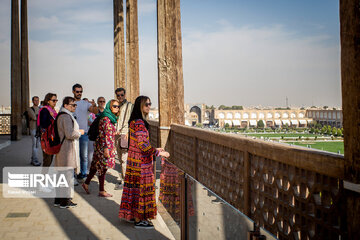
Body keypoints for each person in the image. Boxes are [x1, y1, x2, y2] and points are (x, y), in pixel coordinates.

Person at [119, 96, 170, 229]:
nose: (149, 106)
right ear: (140, 106)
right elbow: (143, 145)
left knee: (134, 190)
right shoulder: (140, 124)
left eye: (150, 104)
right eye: (146, 104)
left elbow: (139, 143)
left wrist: (155, 149)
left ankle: (134, 216)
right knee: (141, 191)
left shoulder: (133, 122)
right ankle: (139, 220)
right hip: (142, 164)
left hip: (134, 162)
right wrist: (159, 153)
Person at [82, 99, 120, 197]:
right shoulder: (106, 119)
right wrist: (106, 148)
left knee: (95, 165)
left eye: (118, 106)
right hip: (103, 146)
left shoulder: (110, 118)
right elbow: (104, 135)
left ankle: (86, 183)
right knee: (103, 167)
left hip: (104, 145)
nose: (117, 108)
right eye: (114, 106)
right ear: (110, 107)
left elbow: (109, 133)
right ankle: (101, 190)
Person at [54, 97, 84, 208]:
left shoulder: (61, 115)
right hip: (66, 150)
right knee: (67, 176)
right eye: (73, 105)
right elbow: (70, 134)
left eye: (75, 105)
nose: (74, 107)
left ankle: (58, 200)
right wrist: (79, 133)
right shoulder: (66, 117)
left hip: (62, 149)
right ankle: (65, 202)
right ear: (66, 105)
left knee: (61, 176)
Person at [72, 83, 98, 181]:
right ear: (73, 92)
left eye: (81, 91)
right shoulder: (70, 102)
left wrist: (94, 105)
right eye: (77, 91)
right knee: (73, 156)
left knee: (84, 155)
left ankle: (83, 174)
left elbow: (95, 111)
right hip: (72, 133)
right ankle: (73, 175)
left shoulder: (85, 103)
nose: (79, 93)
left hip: (84, 133)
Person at [114, 88, 133, 189]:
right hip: (117, 134)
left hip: (125, 133)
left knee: (124, 158)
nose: (120, 97)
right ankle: (123, 178)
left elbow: (132, 120)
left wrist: (129, 132)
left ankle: (126, 181)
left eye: (121, 95)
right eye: (118, 95)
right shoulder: (115, 105)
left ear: (125, 95)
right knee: (121, 158)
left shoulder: (130, 106)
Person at [38, 93, 58, 168]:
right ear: (48, 101)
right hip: (47, 138)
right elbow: (44, 124)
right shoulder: (45, 110)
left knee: (49, 159)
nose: (55, 102)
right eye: (53, 100)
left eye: (56, 100)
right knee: (47, 160)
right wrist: (51, 116)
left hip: (52, 137)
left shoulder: (53, 110)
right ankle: (43, 178)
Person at [28, 96, 41, 166]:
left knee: (37, 145)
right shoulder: (30, 109)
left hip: (39, 129)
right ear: (33, 101)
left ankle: (33, 159)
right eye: (35, 100)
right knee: (35, 145)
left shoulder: (39, 108)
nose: (37, 102)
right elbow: (34, 117)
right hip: (33, 129)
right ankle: (35, 160)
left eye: (37, 100)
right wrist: (40, 116)